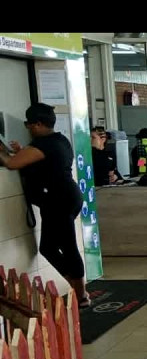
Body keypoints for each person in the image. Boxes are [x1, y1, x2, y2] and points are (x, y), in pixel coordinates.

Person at [0, 103, 89, 306]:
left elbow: (12, 163)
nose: (27, 128)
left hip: (60, 201)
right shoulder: (58, 140)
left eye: (28, 124)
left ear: (38, 124)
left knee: (67, 247)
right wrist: (20, 151)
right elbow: (38, 162)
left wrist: (5, 152)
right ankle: (77, 289)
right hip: (63, 198)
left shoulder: (44, 144)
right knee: (49, 247)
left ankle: (81, 295)